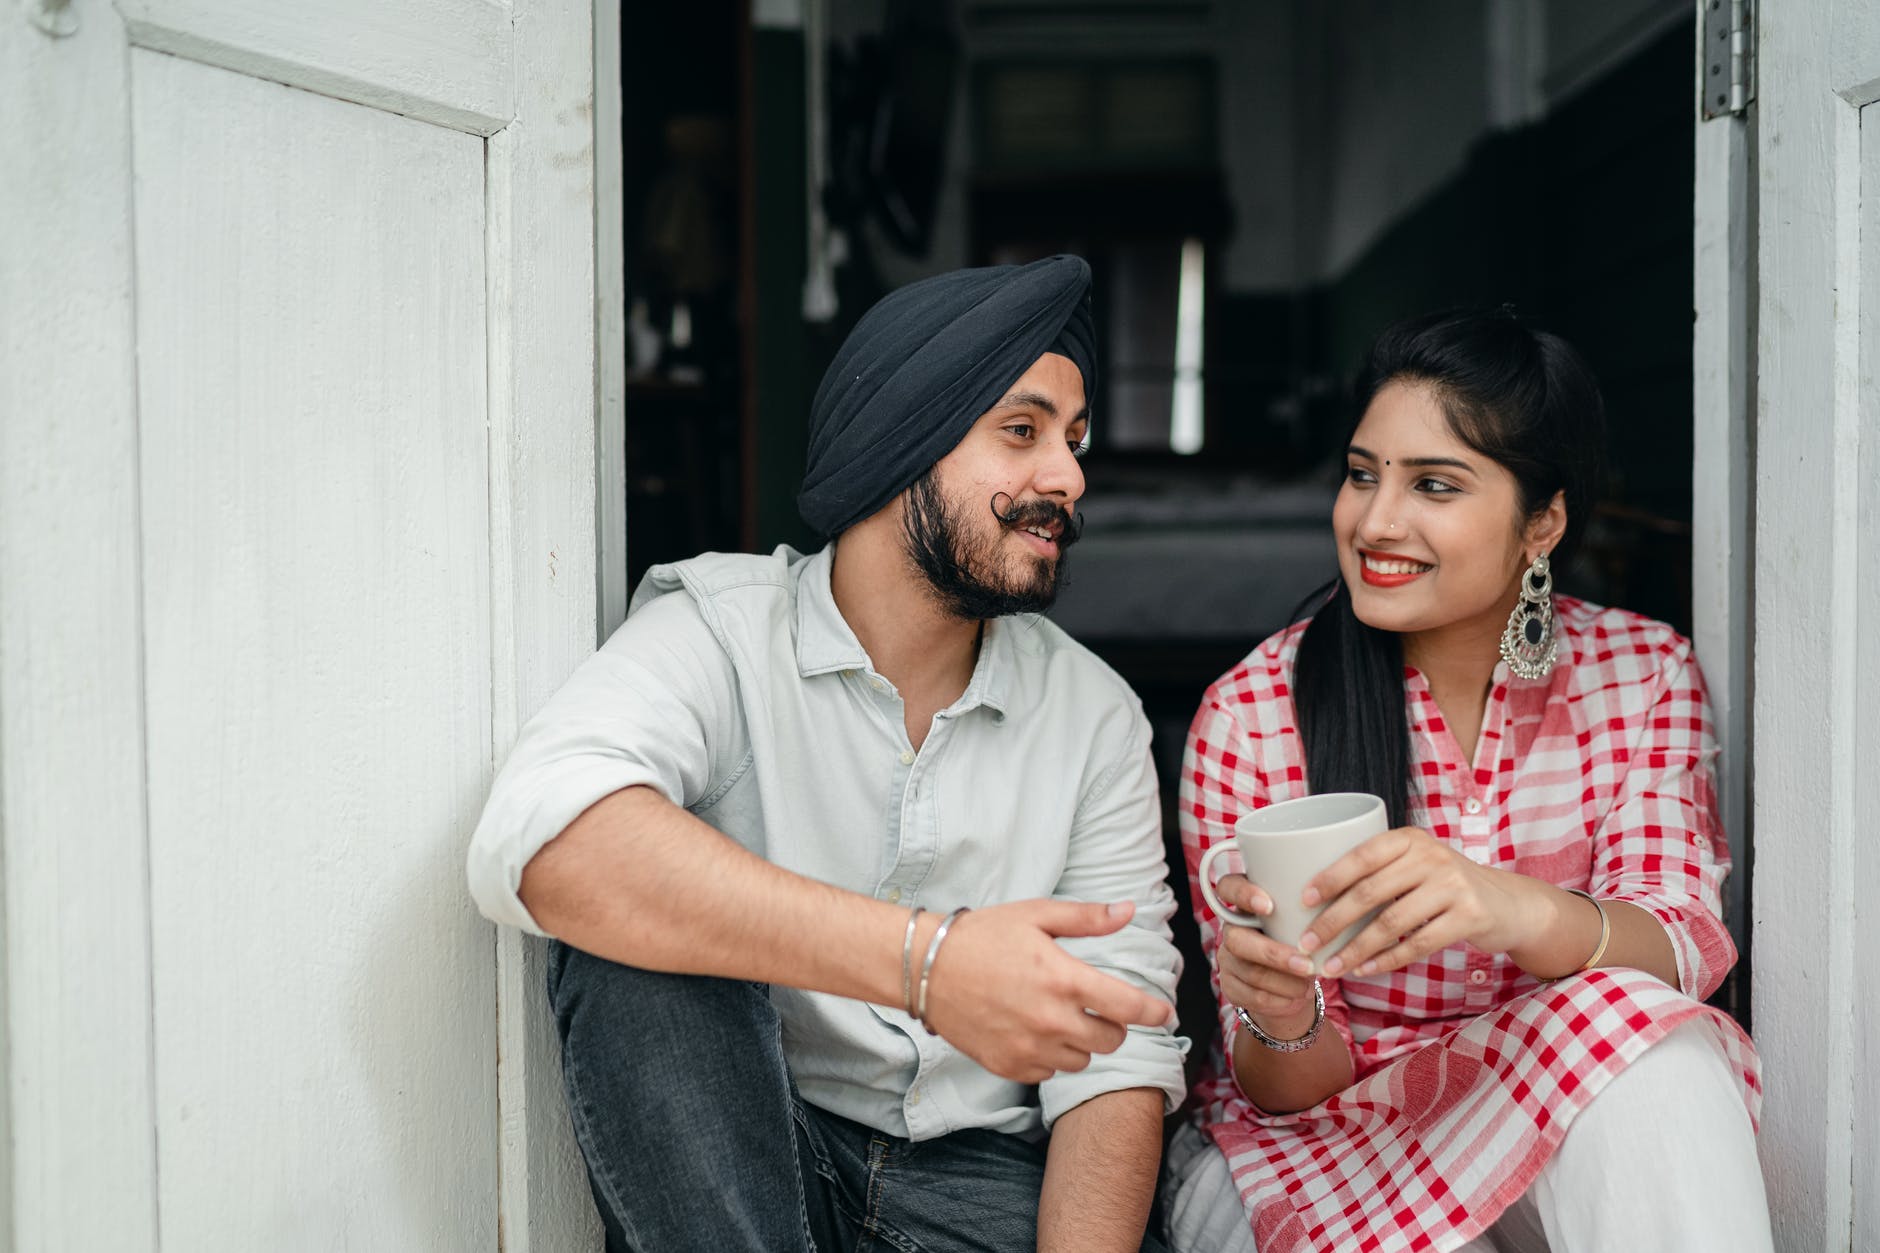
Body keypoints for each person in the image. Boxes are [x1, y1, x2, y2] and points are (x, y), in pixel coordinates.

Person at [466, 255, 1187, 1253]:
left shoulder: (1094, 714)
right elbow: (542, 834)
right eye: (1019, 431)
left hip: (983, 1175)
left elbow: (1119, 1055)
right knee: (635, 947)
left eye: (1072, 439)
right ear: (902, 442)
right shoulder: (718, 631)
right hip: (757, 1149)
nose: (1066, 476)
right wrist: (925, 964)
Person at [1162, 310, 1770, 1253]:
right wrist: (1279, 1014)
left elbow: (1683, 948)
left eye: (1434, 485)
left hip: (1558, 1103)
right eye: (1362, 474)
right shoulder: (1252, 717)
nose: (1374, 521)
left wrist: (1510, 908)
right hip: (1321, 1144)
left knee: (1657, 1046)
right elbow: (1286, 1084)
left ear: (1543, 523)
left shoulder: (1639, 671)